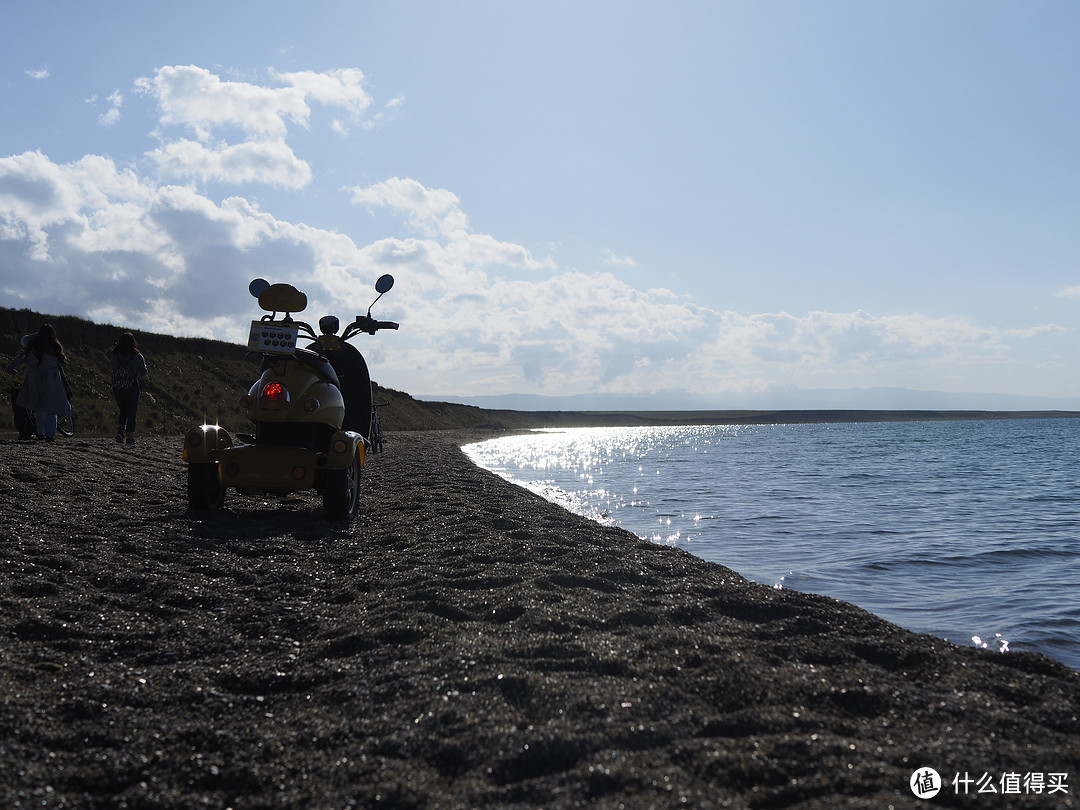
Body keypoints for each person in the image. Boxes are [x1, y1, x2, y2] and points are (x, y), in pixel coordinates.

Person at [16, 325, 73, 442]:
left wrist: (36, 335)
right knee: (51, 409)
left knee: (38, 408)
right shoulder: (55, 347)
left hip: (35, 379)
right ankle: (50, 435)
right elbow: (62, 362)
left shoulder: (33, 346)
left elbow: (23, 341)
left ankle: (40, 433)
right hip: (52, 380)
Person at [109, 332, 148, 444]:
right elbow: (144, 373)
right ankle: (130, 436)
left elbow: (112, 367)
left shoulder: (115, 355)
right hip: (132, 385)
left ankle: (120, 432)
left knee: (123, 409)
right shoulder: (137, 356)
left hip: (118, 386)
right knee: (132, 412)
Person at [5, 335, 35, 440]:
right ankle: (30, 430)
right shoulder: (34, 356)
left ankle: (22, 432)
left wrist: (17, 374)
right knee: (29, 408)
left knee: (18, 410)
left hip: (16, 386)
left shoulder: (20, 356)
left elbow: (8, 369)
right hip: (30, 385)